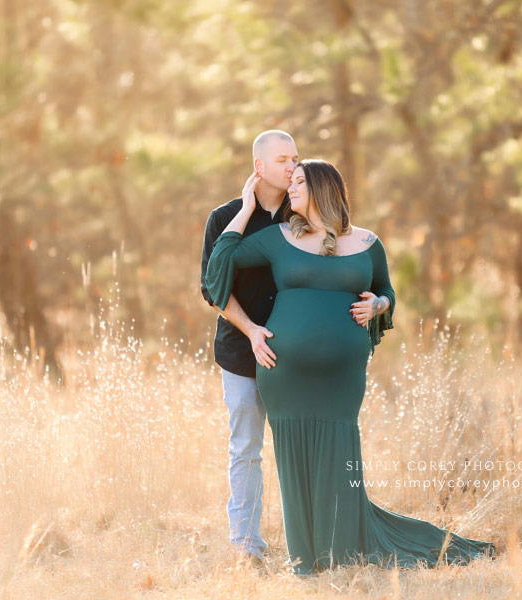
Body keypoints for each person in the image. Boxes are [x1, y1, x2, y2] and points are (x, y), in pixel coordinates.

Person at [205, 159, 497, 576]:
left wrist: (378, 305)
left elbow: (386, 292)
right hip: (285, 370)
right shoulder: (277, 237)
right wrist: (247, 205)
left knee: (341, 448)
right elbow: (222, 261)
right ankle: (306, 556)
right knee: (293, 455)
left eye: (301, 181)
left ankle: (342, 545)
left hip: (342, 377)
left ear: (325, 188)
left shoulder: (367, 242)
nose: (292, 187)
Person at [199, 130, 299, 566]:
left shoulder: (306, 214)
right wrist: (252, 329)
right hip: (240, 353)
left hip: (295, 356)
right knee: (245, 448)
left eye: (296, 158)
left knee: (298, 446)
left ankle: (308, 540)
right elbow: (212, 290)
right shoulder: (223, 217)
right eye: (282, 160)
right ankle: (246, 545)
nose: (293, 166)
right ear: (259, 167)